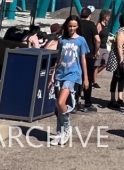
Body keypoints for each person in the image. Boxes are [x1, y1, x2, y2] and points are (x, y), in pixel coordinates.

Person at [51, 15, 90, 145]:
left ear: (78, 26)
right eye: (70, 26)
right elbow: (58, 58)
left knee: (61, 102)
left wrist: (86, 77)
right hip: (60, 74)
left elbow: (83, 59)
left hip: (73, 75)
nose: (72, 28)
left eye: (74, 26)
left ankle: (67, 127)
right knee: (58, 106)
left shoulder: (81, 40)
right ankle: (59, 132)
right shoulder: (62, 40)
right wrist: (52, 75)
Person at [108, 13, 124, 109]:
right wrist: (121, 59)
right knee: (116, 78)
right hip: (119, 59)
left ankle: (120, 98)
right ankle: (112, 99)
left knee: (122, 78)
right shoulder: (121, 32)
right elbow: (119, 46)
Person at [77, 7, 99, 112]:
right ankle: (87, 103)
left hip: (77, 54)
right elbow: (97, 40)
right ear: (89, 16)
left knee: (77, 78)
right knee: (87, 79)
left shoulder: (77, 24)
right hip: (88, 54)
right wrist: (96, 51)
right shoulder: (91, 24)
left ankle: (74, 102)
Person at [94, 9, 113, 83]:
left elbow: (105, 36)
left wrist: (108, 41)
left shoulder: (106, 25)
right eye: (108, 16)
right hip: (99, 47)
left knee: (106, 63)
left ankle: (92, 76)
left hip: (104, 47)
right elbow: (96, 36)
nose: (109, 17)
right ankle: (94, 81)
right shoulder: (99, 25)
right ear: (104, 16)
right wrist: (96, 49)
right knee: (96, 65)